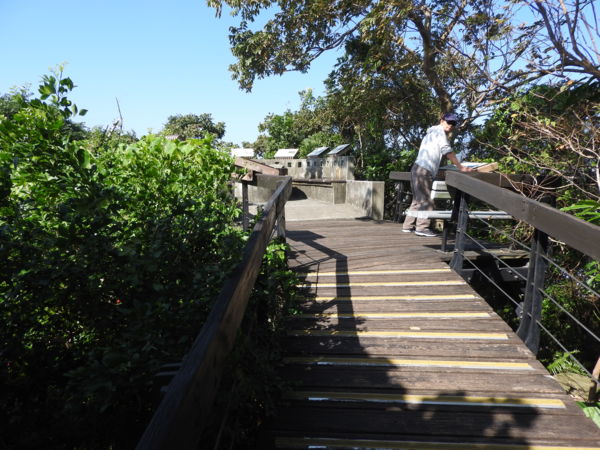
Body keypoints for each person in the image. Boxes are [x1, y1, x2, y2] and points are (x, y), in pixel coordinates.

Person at [402, 112, 473, 237]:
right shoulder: (440, 133)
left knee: (417, 200)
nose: (451, 125)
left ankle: (407, 226)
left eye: (453, 123)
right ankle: (422, 228)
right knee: (426, 200)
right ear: (442, 121)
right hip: (424, 170)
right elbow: (447, 151)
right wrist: (460, 167)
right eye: (449, 122)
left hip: (417, 168)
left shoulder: (431, 133)